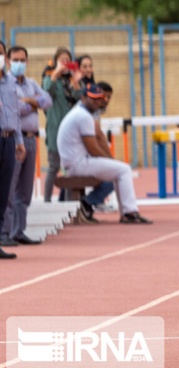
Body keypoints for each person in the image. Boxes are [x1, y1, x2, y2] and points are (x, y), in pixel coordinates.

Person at [57, 84, 152, 224]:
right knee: (123, 169)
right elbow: (93, 148)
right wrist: (110, 161)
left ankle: (89, 204)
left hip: (73, 163)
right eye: (93, 99)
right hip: (78, 164)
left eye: (99, 99)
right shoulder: (83, 116)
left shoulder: (78, 112)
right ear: (83, 97)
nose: (96, 102)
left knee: (117, 170)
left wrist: (109, 162)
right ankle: (129, 212)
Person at [1, 45, 52, 246]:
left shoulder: (31, 83)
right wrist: (33, 104)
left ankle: (18, 230)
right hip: (12, 138)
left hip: (30, 139)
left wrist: (28, 101)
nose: (19, 63)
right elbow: (14, 109)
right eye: (15, 59)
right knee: (8, 188)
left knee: (25, 190)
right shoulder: (6, 83)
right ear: (8, 61)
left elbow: (47, 100)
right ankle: (4, 232)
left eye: (23, 60)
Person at [73, 80, 116, 224]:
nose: (107, 100)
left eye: (109, 97)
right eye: (104, 97)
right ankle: (86, 203)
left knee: (113, 172)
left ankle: (84, 205)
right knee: (114, 176)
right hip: (77, 159)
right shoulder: (86, 113)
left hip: (80, 158)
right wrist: (109, 160)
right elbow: (98, 137)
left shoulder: (93, 111)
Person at [43, 47, 81, 202]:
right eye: (62, 60)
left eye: (68, 60)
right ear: (55, 62)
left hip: (72, 132)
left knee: (70, 169)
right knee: (53, 167)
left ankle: (69, 202)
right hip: (56, 129)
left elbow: (81, 99)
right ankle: (46, 201)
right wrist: (56, 73)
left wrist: (77, 81)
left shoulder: (72, 81)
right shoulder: (50, 78)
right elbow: (47, 92)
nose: (65, 63)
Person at [0, 40, 27, 259]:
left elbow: (15, 114)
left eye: (1, 54)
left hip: (9, 139)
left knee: (4, 190)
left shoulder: (10, 83)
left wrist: (19, 140)